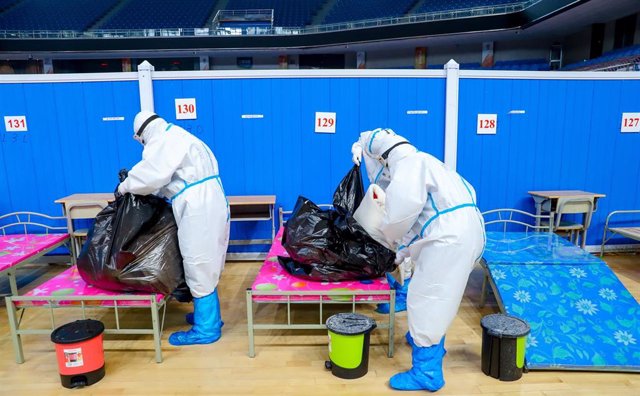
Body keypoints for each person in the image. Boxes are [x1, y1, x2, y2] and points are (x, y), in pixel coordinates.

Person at [351, 128, 485, 391]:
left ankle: (427, 372)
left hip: (447, 240)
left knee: (427, 298)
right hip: (469, 233)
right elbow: (422, 219)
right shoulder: (430, 162)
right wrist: (401, 252)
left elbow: (398, 219)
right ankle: (426, 342)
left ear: (383, 157)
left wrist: (386, 242)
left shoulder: (409, 167)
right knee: (441, 296)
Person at [118, 111, 230, 346]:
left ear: (141, 134)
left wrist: (125, 186)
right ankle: (209, 316)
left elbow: (149, 177)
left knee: (197, 260)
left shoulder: (161, 141)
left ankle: (206, 328)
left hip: (196, 205)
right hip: (212, 198)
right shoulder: (179, 135)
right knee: (209, 258)